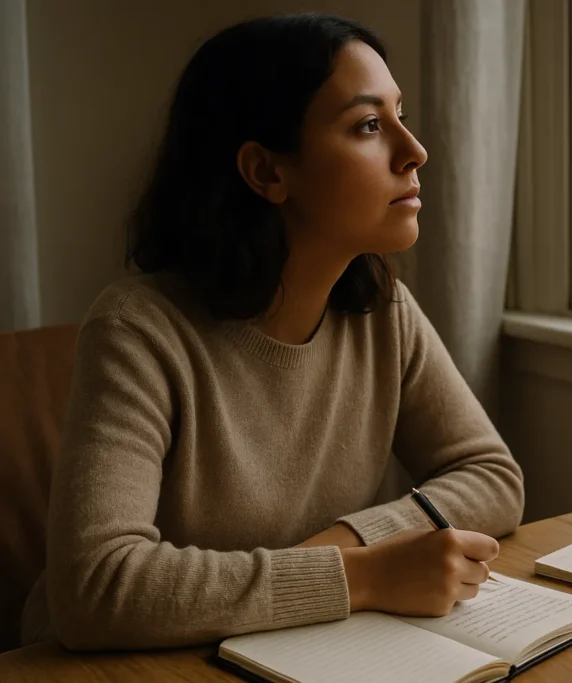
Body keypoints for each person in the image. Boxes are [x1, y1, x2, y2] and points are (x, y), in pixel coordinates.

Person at [20, 13, 524, 651]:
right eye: (370, 125)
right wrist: (360, 576)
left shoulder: (384, 313)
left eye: (401, 114)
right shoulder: (138, 331)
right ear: (266, 172)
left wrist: (347, 547)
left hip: (293, 648)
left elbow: (492, 476)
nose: (414, 149)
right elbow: (95, 589)